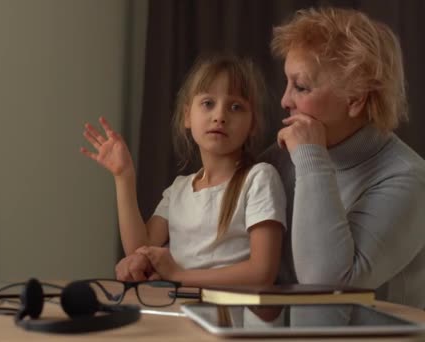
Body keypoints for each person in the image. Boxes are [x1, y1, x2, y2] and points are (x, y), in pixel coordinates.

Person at [261, 7, 425, 308]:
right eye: (287, 84)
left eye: (300, 87)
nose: (285, 101)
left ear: (355, 98)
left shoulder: (411, 179)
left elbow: (326, 287)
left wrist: (312, 158)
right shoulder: (282, 157)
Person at [81, 55, 286, 287]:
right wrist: (123, 176)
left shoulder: (259, 178)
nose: (220, 116)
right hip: (182, 313)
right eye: (208, 103)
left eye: (235, 107)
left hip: (233, 320)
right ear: (188, 116)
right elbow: (139, 248)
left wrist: (179, 276)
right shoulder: (179, 189)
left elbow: (262, 273)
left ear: (253, 124)